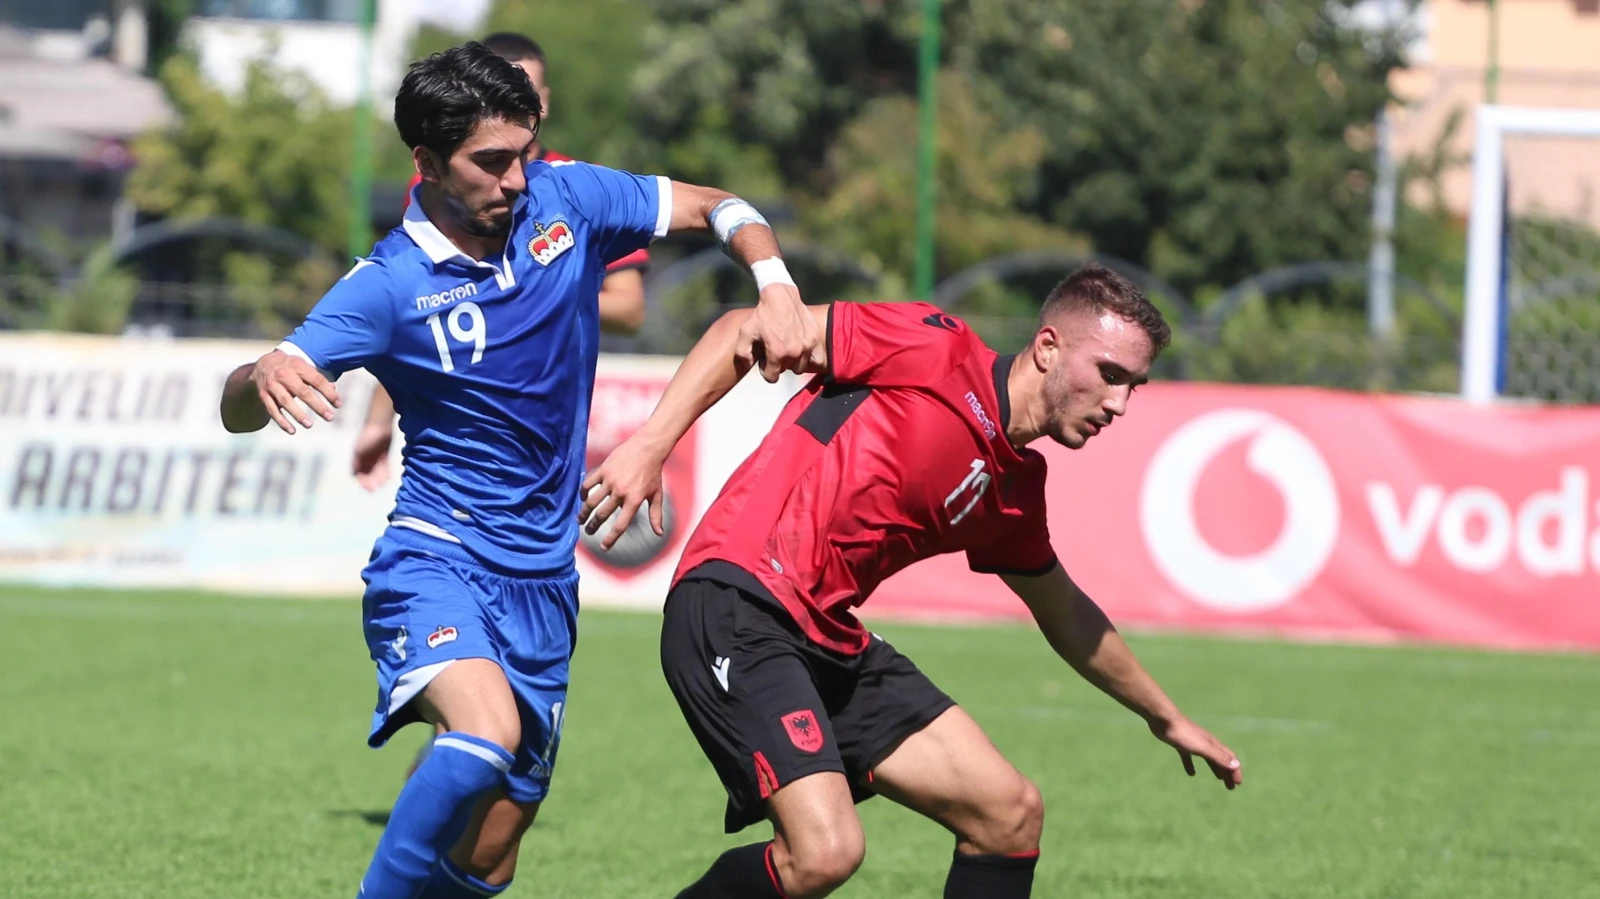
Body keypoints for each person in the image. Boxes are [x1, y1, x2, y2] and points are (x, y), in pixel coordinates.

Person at [218, 42, 816, 899]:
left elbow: (723, 205)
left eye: (524, 154)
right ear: (425, 163)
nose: (515, 179)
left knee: (492, 850)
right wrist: (259, 373)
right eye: (491, 162)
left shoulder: (564, 198)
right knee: (481, 733)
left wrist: (774, 281)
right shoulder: (389, 284)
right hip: (437, 557)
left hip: (543, 580)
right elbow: (238, 403)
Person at [579, 265, 1242, 899]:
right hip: (737, 598)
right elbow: (740, 329)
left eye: (1136, 386)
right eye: (1110, 374)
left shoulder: (1014, 491)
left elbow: (1066, 612)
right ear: (1047, 348)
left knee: (1007, 815)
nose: (1120, 403)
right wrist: (650, 444)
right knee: (824, 852)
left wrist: (1166, 716)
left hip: (827, 636)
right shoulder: (934, 346)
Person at [355, 31, 647, 492]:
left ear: (544, 100)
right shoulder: (441, 187)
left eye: (526, 89)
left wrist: (534, 290)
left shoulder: (580, 189)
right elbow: (414, 310)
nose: (514, 99)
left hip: (545, 413)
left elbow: (630, 310)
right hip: (459, 420)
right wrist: (378, 417)